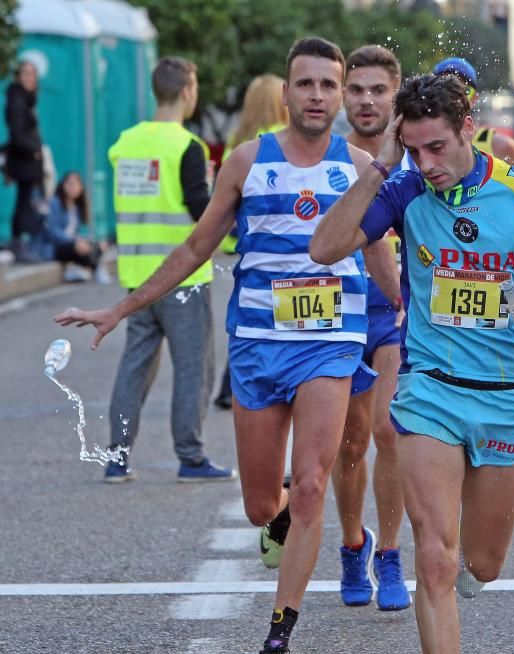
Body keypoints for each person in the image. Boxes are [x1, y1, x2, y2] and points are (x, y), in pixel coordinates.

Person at [55, 38, 400, 654]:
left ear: (341, 94)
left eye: (329, 84)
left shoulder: (356, 166)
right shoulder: (246, 161)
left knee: (314, 481)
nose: (317, 95)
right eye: (306, 83)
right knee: (262, 503)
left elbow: (379, 255)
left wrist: (411, 312)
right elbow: (194, 249)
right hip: (257, 345)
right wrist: (121, 307)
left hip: (330, 341)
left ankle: (279, 632)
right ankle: (286, 516)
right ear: (286, 92)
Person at [309, 73, 514, 654]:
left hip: (504, 394)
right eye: (414, 150)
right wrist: (381, 168)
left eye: (437, 147)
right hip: (430, 393)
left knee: (482, 564)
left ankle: (470, 568)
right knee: (436, 561)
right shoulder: (403, 190)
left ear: (468, 128)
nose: (426, 163)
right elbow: (324, 247)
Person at [72, 57, 235, 484]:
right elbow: (201, 211)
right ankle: (191, 457)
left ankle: (118, 457)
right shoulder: (188, 147)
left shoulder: (124, 144)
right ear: (187, 91)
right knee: (193, 368)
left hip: (137, 277)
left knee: (134, 368)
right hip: (180, 279)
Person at [333, 43, 410, 612]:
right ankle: (351, 544)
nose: (366, 100)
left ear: (395, 93)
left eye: (378, 90)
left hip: (394, 313)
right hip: (334, 312)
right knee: (351, 444)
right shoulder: (325, 156)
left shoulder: (418, 153)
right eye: (355, 89)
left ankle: (389, 554)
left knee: (388, 431)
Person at [214, 73, 290, 410]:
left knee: (252, 317)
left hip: (241, 244)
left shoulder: (238, 143)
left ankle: (230, 386)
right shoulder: (283, 140)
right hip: (280, 243)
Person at [432, 57, 514, 174]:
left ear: (474, 99)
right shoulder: (419, 146)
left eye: (465, 91)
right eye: (443, 90)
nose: (454, 98)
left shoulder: (501, 147)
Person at [4, 61, 46, 262]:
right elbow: (17, 134)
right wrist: (34, 150)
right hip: (24, 161)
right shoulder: (16, 100)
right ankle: (18, 245)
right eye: (26, 73)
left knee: (28, 202)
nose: (30, 78)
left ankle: (24, 244)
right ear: (18, 76)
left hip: (28, 161)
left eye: (33, 74)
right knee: (23, 203)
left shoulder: (26, 99)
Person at [39, 171, 108, 282]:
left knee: (100, 245)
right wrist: (74, 241)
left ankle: (80, 269)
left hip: (72, 243)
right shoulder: (55, 203)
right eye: (70, 184)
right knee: (79, 247)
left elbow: (75, 232)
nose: (73, 187)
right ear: (63, 185)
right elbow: (52, 231)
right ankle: (96, 268)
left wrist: (86, 240)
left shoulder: (77, 207)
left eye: (76, 184)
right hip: (57, 246)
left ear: (81, 188)